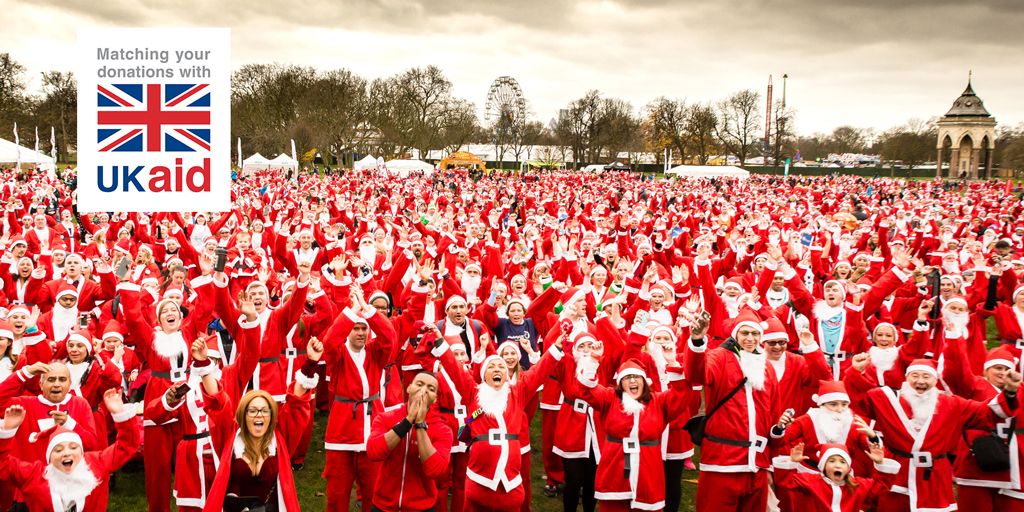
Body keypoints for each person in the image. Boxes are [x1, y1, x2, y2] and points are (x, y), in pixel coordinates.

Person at [853, 358, 1022, 512]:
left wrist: (1009, 392)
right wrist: (856, 372)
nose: (920, 381)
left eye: (926, 377)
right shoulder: (887, 400)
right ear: (906, 379)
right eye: (915, 376)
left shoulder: (952, 404)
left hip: (935, 477)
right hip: (899, 474)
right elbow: (858, 399)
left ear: (935, 381)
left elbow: (986, 413)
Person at [201, 336, 321, 512]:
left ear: (272, 416)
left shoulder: (280, 438)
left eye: (265, 410)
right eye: (253, 410)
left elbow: (296, 404)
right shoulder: (231, 436)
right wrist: (202, 365)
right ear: (243, 414)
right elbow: (217, 403)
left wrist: (311, 363)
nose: (260, 415)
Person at [687, 308, 781, 512]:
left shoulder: (767, 368)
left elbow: (773, 413)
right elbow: (697, 374)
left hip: (757, 465)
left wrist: (769, 465)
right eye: (745, 333)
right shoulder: (720, 357)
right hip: (722, 462)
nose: (750, 338)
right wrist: (696, 342)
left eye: (755, 333)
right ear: (736, 334)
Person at [0, 388, 140, 512]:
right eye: (58, 450)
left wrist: (120, 414)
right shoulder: (35, 476)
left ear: (81, 451)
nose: (66, 453)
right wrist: (7, 432)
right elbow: (4, 465)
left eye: (73, 447)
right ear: (49, 457)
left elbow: (127, 445)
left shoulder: (96, 464)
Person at [367, 369, 453, 512]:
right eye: (419, 384)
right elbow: (373, 451)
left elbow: (436, 470)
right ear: (408, 388)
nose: (424, 391)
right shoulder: (385, 418)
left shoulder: (443, 430)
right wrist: (407, 422)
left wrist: (420, 424)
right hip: (383, 505)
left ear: (435, 398)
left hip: (422, 507)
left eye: (431, 389)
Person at [772, 441, 899, 512]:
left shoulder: (857, 485)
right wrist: (792, 461)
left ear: (848, 467)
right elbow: (785, 481)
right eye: (832, 461)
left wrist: (880, 463)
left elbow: (881, 485)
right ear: (823, 465)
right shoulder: (811, 481)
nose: (837, 465)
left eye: (842, 462)